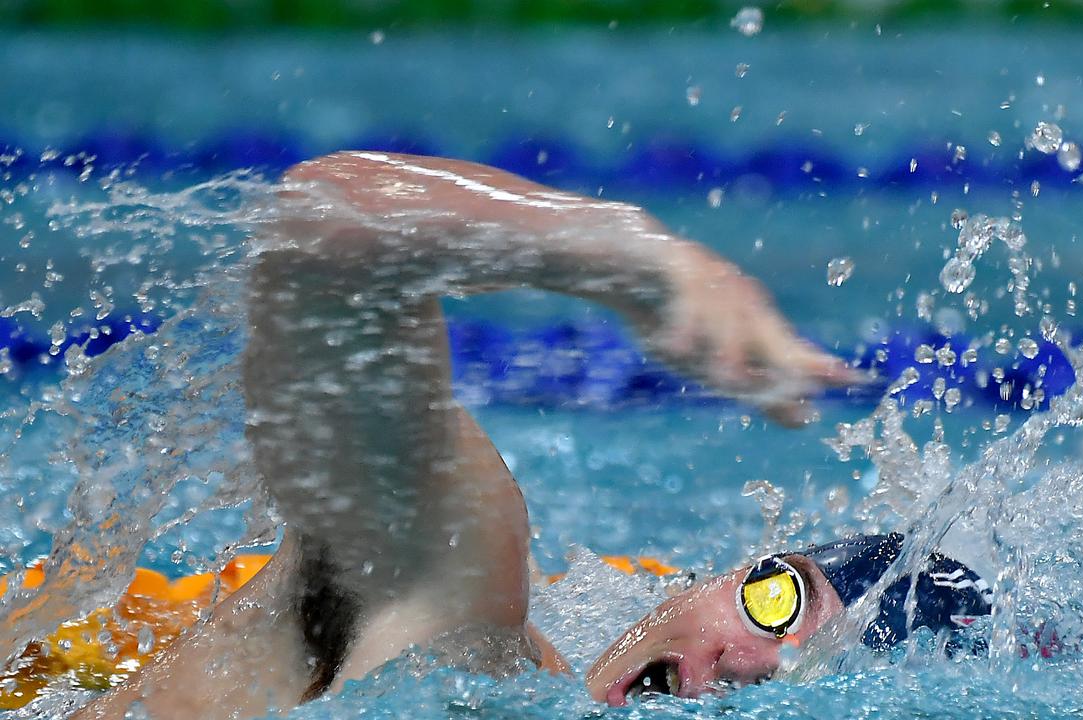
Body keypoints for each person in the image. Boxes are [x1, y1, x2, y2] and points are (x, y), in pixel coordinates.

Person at [68, 152, 990, 719]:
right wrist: (636, 259)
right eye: (778, 605)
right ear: (727, 574)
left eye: (788, 689)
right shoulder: (455, 605)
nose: (742, 661)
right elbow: (326, 225)